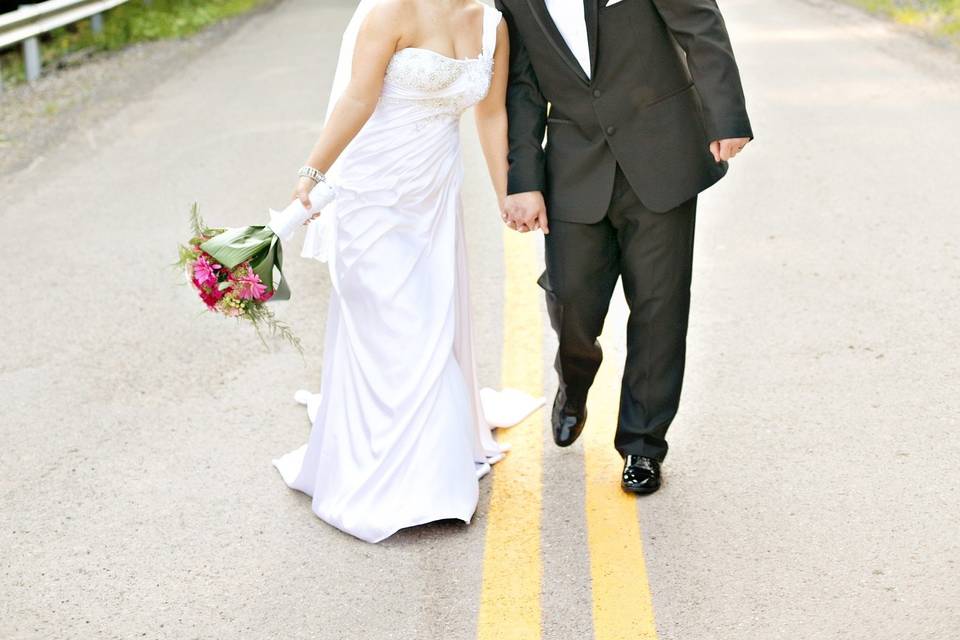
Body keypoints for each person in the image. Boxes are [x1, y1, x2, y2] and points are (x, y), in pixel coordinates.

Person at [270, 0, 543, 544]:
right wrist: (312, 171)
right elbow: (357, 97)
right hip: (372, 193)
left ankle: (430, 477)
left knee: (431, 327)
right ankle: (389, 479)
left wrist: (504, 194)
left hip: (434, 195)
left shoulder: (491, 23)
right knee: (396, 328)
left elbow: (491, 115)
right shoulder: (391, 11)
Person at [495, 0, 754, 494]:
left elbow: (699, 22)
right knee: (571, 298)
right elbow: (522, 86)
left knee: (659, 306)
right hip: (573, 166)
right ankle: (574, 379)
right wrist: (524, 178)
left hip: (661, 152)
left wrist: (726, 115)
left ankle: (643, 445)